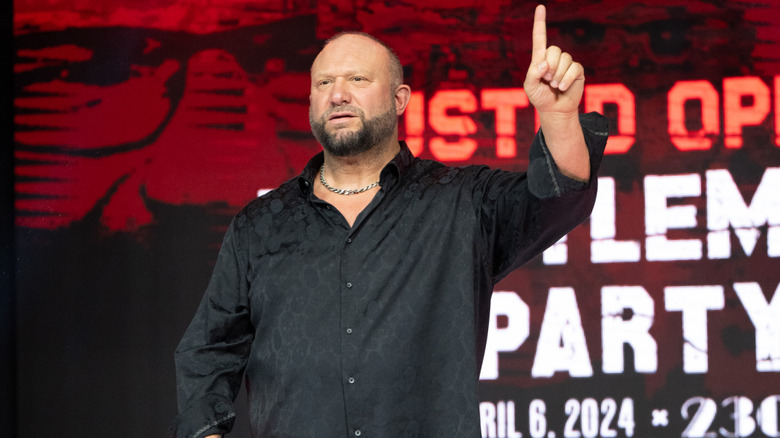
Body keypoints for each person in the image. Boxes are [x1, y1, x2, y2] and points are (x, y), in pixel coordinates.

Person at [169, 4, 608, 438]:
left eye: (357, 79)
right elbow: (209, 349)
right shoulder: (259, 225)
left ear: (400, 99)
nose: (337, 94)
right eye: (324, 82)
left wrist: (557, 118)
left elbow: (558, 200)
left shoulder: (462, 200)